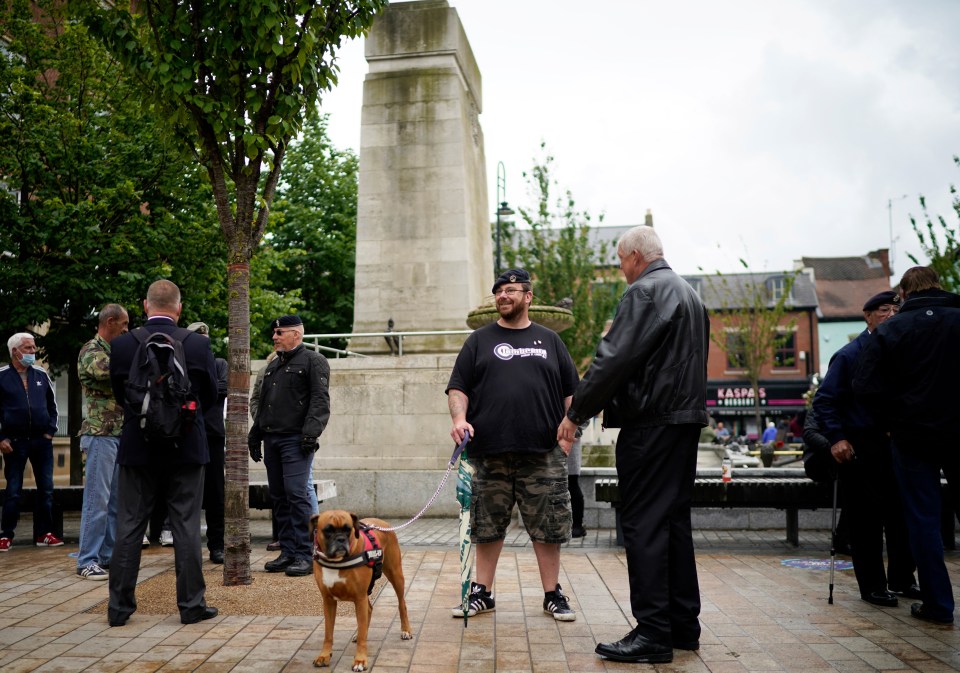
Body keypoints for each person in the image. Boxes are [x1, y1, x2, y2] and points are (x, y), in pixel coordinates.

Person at [557, 225, 708, 664]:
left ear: (636, 256)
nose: (622, 270)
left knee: (642, 524)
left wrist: (575, 413)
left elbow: (614, 359)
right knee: (674, 523)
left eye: (621, 261)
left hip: (651, 424)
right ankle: (683, 625)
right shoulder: (688, 294)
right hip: (682, 422)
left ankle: (653, 632)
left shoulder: (645, 292)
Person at [447, 268, 580, 621]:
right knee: (486, 525)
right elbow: (458, 386)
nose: (503, 296)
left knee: (548, 525)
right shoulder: (478, 340)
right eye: (498, 292)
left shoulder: (551, 341)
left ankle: (553, 594)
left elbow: (572, 393)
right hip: (489, 451)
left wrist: (570, 433)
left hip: (542, 453)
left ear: (528, 296)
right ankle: (482, 593)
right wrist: (459, 419)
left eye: (510, 290)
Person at [107, 280, 219, 626]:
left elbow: (119, 393)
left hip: (137, 449)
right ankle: (191, 606)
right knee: (185, 527)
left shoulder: (123, 345)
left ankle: (119, 609)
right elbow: (210, 397)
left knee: (129, 526)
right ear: (179, 309)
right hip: (186, 449)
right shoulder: (199, 345)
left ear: (144, 305)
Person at [854, 267, 960, 625]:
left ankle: (939, 605)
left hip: (912, 435)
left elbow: (865, 386)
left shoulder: (891, 329)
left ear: (903, 293)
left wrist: (889, 422)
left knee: (922, 519)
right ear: (938, 284)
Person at [812, 290, 917, 608]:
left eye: (895, 309)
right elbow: (825, 401)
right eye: (883, 309)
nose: (890, 314)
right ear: (867, 315)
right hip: (861, 446)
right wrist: (837, 438)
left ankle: (902, 578)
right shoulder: (849, 355)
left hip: (897, 445)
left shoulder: (903, 350)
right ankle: (872, 585)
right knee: (865, 521)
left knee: (902, 516)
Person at [248, 315, 330, 577]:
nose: (274, 337)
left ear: (296, 334)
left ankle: (305, 554)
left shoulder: (313, 361)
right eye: (274, 332)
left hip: (296, 440)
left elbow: (320, 400)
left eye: (279, 332)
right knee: (280, 497)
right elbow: (264, 405)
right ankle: (288, 551)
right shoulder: (274, 366)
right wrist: (255, 433)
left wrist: (310, 434)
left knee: (297, 494)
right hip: (272, 439)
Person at [75, 304, 129, 579]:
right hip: (100, 435)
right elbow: (113, 373)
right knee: (97, 500)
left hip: (118, 434)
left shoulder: (114, 352)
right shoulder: (92, 351)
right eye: (124, 325)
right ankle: (86, 560)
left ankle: (107, 555)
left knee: (116, 502)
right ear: (110, 322)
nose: (126, 330)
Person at [0, 333, 62, 552]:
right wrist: (1, 439)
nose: (33, 352)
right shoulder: (2, 376)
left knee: (46, 489)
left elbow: (52, 405)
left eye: (34, 348)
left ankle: (44, 533)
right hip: (14, 442)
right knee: (13, 490)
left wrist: (50, 431)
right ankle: (6, 535)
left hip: (41, 441)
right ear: (15, 351)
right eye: (28, 348)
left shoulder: (41, 374)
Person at [186, 321, 228, 564]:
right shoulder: (183, 363)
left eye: (205, 336)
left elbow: (221, 388)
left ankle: (216, 545)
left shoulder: (219, 363)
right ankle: (188, 546)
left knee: (215, 494)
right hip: (188, 433)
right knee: (187, 492)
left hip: (212, 434)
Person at [568, 436, 586, 538]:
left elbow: (585, 419)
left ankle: (577, 525)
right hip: (549, 443)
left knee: (572, 484)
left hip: (570, 441)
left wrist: (575, 430)